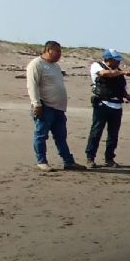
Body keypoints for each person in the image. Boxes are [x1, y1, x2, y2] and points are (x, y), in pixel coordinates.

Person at [26, 41, 85, 171]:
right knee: (41, 135)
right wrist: (36, 104)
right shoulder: (36, 64)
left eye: (60, 51)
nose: (59, 54)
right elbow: (32, 85)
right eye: (57, 51)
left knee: (61, 136)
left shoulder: (55, 66)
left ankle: (68, 161)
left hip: (58, 108)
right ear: (48, 50)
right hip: (44, 106)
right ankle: (42, 161)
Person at [85, 49, 130, 168]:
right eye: (116, 60)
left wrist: (128, 97)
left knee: (113, 134)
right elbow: (105, 74)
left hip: (117, 106)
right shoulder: (96, 66)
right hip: (102, 104)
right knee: (96, 132)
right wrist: (123, 72)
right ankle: (90, 158)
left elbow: (121, 89)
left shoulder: (119, 72)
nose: (118, 63)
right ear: (108, 59)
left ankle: (109, 158)